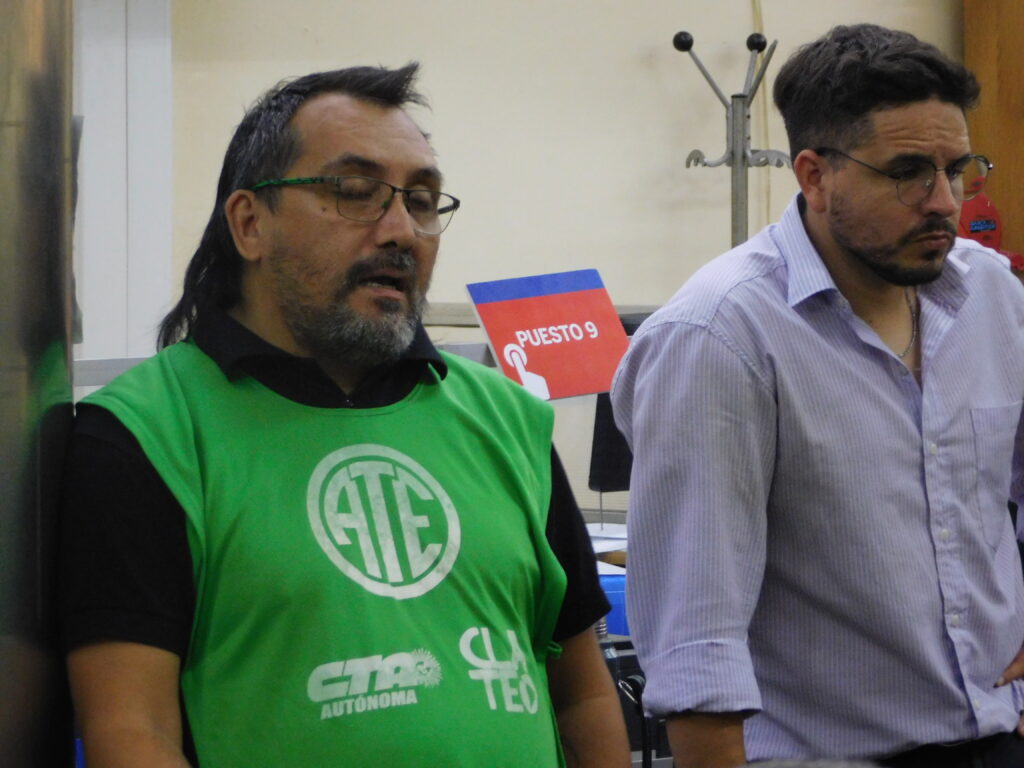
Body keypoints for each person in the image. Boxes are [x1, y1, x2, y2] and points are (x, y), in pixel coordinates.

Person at [59, 64, 630, 768]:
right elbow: (132, 730)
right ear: (250, 223)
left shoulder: (509, 419)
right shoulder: (143, 437)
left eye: (422, 201)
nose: (401, 231)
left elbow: (581, 696)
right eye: (356, 193)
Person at [611, 23, 1024, 768]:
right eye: (908, 173)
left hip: (996, 734)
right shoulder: (720, 337)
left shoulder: (990, 293)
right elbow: (694, 640)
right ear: (814, 175)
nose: (944, 202)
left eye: (957, 169)